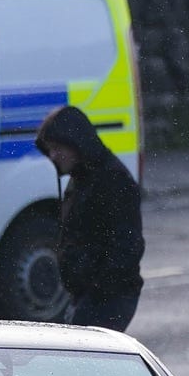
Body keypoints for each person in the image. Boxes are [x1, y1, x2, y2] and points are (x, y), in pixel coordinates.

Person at [35, 104, 146, 331]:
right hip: (90, 296)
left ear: (75, 143)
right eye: (50, 150)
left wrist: (97, 288)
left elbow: (126, 246)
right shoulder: (82, 178)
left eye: (57, 148)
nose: (53, 156)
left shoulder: (113, 180)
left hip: (107, 298)